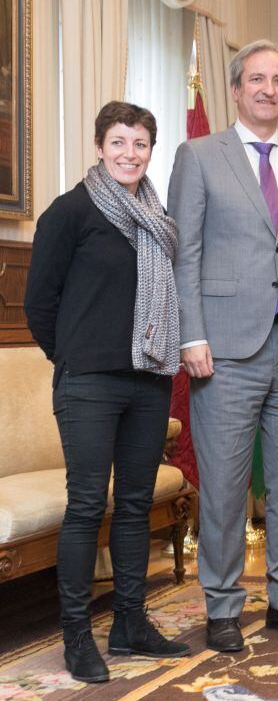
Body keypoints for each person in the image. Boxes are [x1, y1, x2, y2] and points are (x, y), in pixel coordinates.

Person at [169, 40, 278, 652]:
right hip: (223, 348)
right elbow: (183, 253)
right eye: (258, 80)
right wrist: (190, 334)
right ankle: (221, 606)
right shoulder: (198, 156)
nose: (269, 89)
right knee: (224, 484)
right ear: (236, 89)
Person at [25, 101, 190, 683]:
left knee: (137, 505)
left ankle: (130, 623)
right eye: (119, 142)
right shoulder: (70, 212)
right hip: (89, 384)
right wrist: (74, 355)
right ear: (99, 146)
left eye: (141, 144)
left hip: (149, 381)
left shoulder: (156, 216)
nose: (130, 153)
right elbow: (38, 305)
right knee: (88, 504)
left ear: (151, 151)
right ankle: (76, 636)